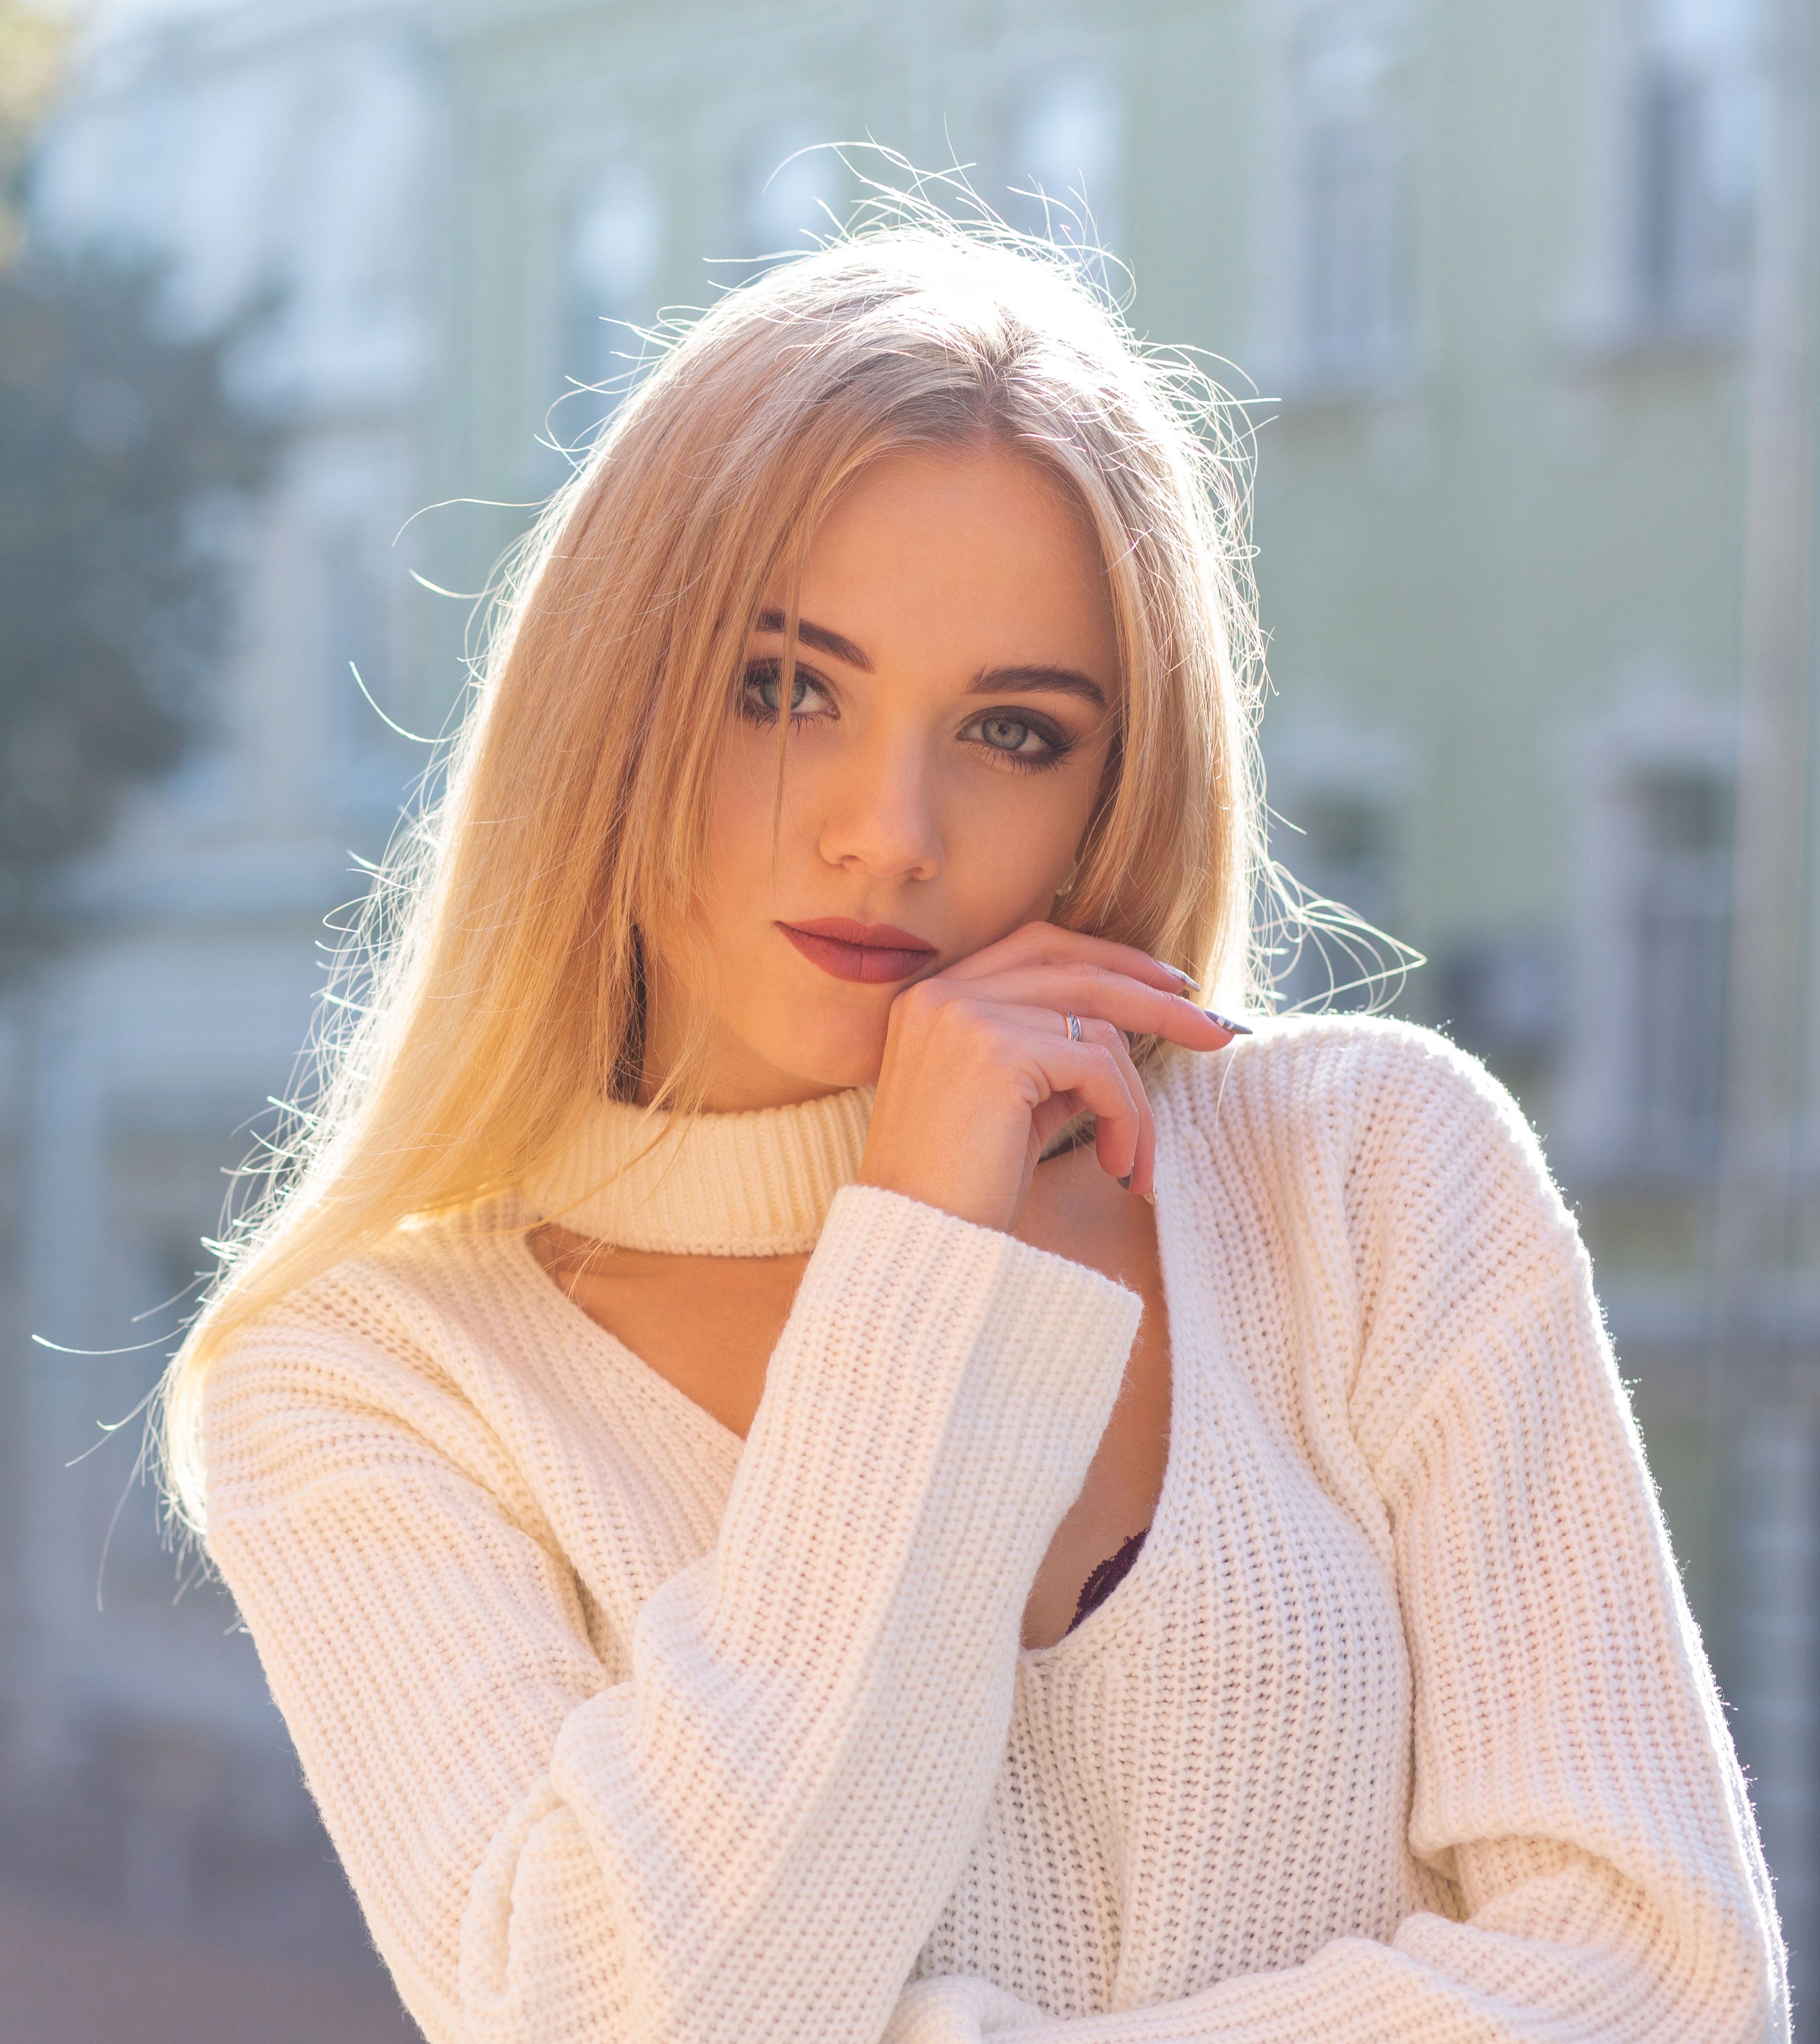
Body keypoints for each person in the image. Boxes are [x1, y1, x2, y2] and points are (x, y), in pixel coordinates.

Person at [163, 214, 1788, 2042]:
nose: (890, 830)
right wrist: (920, 1256)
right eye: (784, 689)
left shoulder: (1372, 1178)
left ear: (1119, 782)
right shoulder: (367, 1384)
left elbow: (1666, 1978)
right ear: (611, 700)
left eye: (1015, 732)